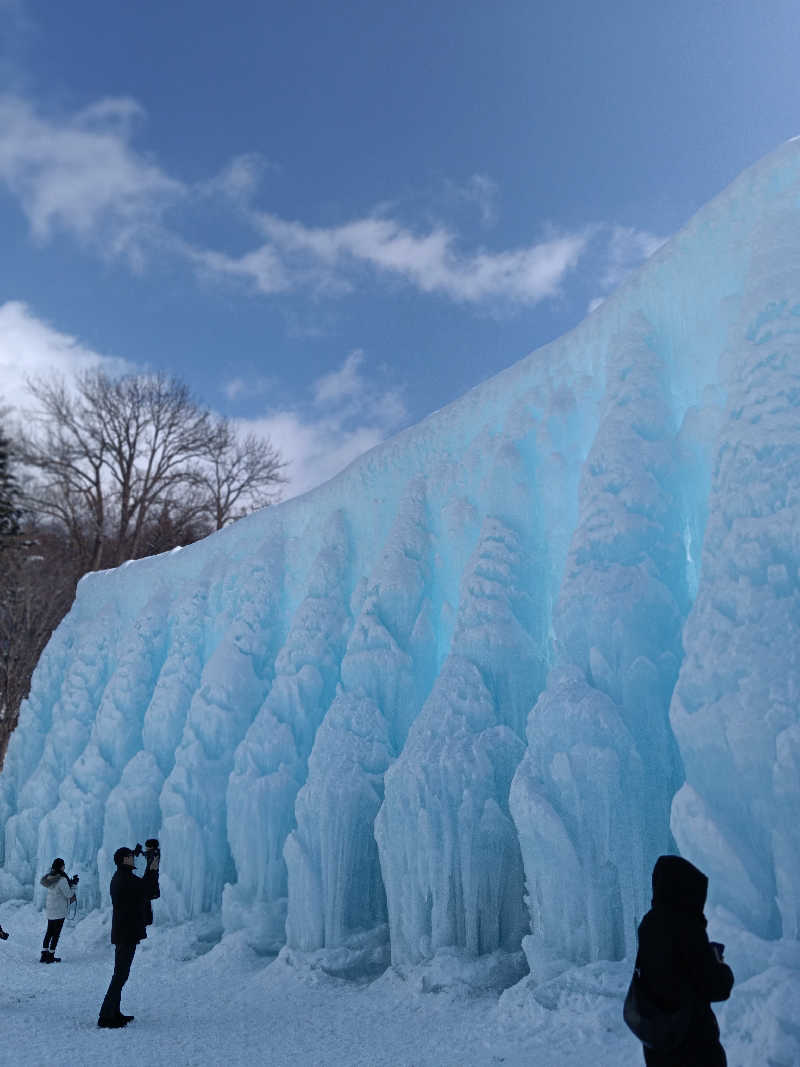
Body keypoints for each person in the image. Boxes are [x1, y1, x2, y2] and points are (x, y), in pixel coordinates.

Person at [635, 854, 734, 1066]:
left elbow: (666, 970)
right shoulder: (688, 928)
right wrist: (721, 967)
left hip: (658, 1043)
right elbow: (715, 986)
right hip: (692, 1046)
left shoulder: (648, 924)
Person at [97, 844, 160, 1029]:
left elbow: (144, 890)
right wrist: (152, 869)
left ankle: (114, 1012)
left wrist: (150, 869)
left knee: (121, 974)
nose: (134, 857)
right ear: (125, 859)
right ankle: (105, 1017)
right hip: (126, 933)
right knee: (120, 975)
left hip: (125, 932)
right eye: (131, 855)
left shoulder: (122, 877)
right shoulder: (125, 878)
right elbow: (148, 891)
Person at [39, 858, 78, 963]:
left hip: (51, 909)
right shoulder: (62, 879)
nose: (64, 867)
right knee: (56, 934)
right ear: (61, 866)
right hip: (59, 911)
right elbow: (69, 894)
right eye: (63, 865)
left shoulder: (50, 877)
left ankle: (44, 955)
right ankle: (51, 956)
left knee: (49, 932)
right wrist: (74, 885)